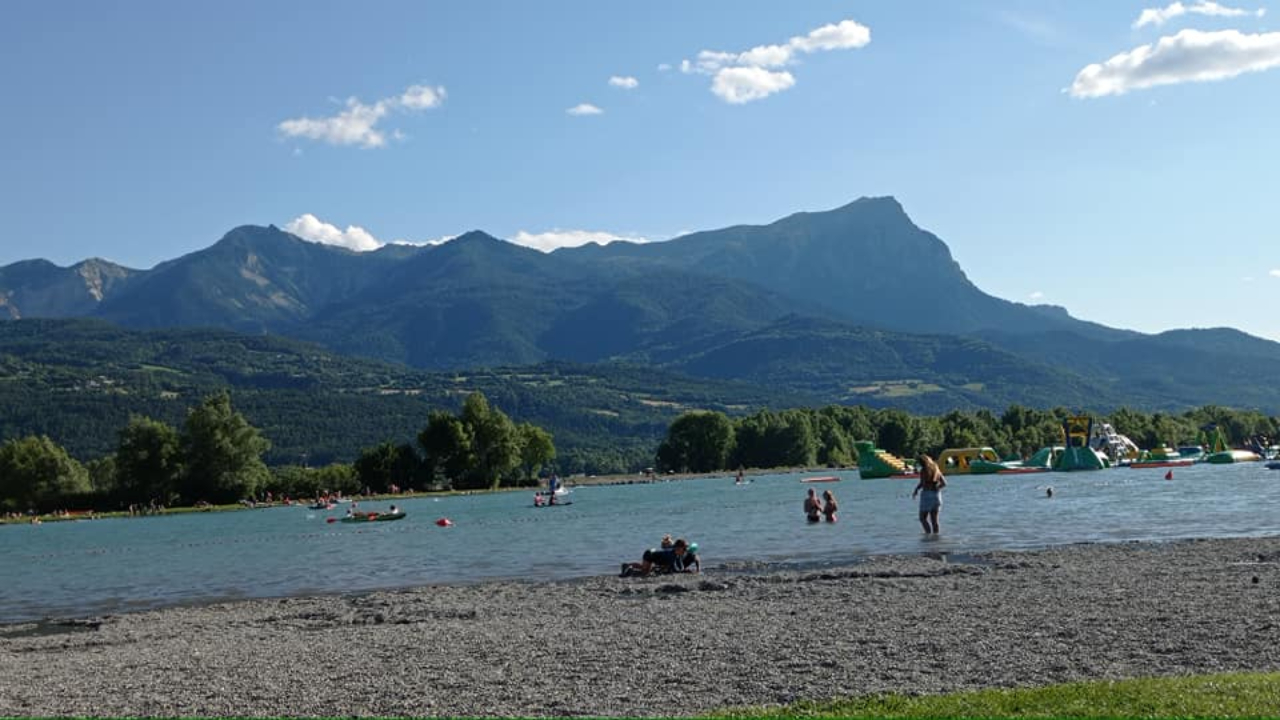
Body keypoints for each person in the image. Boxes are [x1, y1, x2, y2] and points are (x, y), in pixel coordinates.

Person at [621, 538, 698, 577]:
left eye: (685, 549)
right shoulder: (672, 555)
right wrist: (684, 571)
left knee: (644, 568)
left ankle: (627, 565)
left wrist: (683, 570)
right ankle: (628, 568)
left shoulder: (676, 553)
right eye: (684, 549)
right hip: (650, 554)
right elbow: (674, 569)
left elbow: (678, 565)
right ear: (678, 548)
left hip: (653, 553)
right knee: (644, 572)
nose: (685, 551)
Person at [912, 453, 946, 534]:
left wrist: (916, 490)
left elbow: (923, 482)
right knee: (934, 520)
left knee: (922, 518)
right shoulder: (936, 469)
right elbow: (944, 483)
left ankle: (928, 536)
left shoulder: (923, 470)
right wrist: (936, 488)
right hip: (937, 495)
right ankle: (935, 538)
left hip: (927, 495)